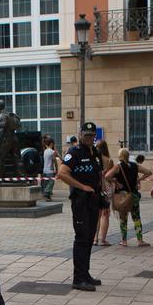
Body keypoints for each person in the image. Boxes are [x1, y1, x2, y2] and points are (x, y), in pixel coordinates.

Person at [57, 122, 104, 291]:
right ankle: (78, 278)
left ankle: (86, 274)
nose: (89, 138)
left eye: (91, 135)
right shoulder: (74, 152)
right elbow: (62, 173)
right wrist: (82, 186)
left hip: (93, 200)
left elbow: (100, 173)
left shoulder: (95, 152)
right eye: (86, 135)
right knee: (82, 239)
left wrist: (102, 191)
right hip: (80, 201)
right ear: (80, 134)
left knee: (90, 238)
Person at [106, 148, 152, 246]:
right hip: (133, 195)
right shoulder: (135, 165)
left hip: (122, 196)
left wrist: (116, 182)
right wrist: (138, 180)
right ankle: (140, 240)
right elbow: (148, 172)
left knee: (123, 218)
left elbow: (107, 176)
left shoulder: (118, 166)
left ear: (120, 156)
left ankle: (124, 241)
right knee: (136, 217)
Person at [94, 139, 114, 247]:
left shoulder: (94, 159)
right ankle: (103, 239)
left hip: (96, 187)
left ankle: (94, 239)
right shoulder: (109, 161)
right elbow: (110, 177)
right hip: (106, 188)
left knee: (96, 214)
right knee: (105, 214)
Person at [40, 135, 57, 200]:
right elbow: (54, 161)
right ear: (52, 144)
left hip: (45, 170)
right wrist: (57, 169)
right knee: (51, 182)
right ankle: (46, 193)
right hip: (50, 170)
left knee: (46, 183)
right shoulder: (52, 152)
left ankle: (48, 197)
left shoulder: (45, 151)